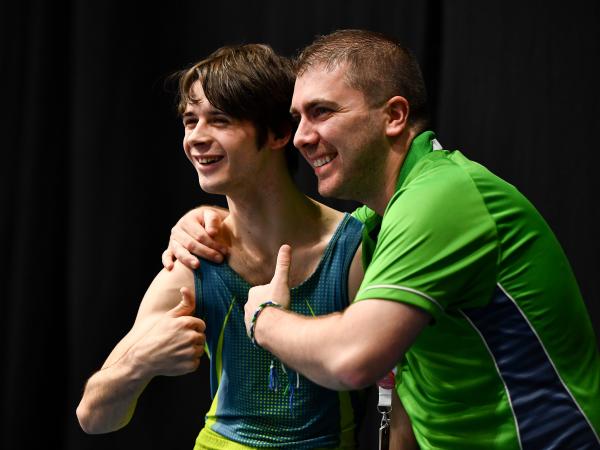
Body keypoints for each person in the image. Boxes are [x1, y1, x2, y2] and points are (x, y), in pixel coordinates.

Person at [164, 30, 600, 449]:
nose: (300, 137)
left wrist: (263, 316)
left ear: (394, 116)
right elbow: (412, 384)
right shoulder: (380, 219)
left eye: (323, 112)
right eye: (298, 118)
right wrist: (209, 218)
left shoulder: (441, 198)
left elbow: (353, 359)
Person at [75, 43, 414, 450]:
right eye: (189, 120)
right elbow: (93, 417)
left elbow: (400, 403)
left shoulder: (352, 249)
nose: (196, 138)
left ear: (277, 133)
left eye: (218, 120)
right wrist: (139, 364)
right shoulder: (194, 258)